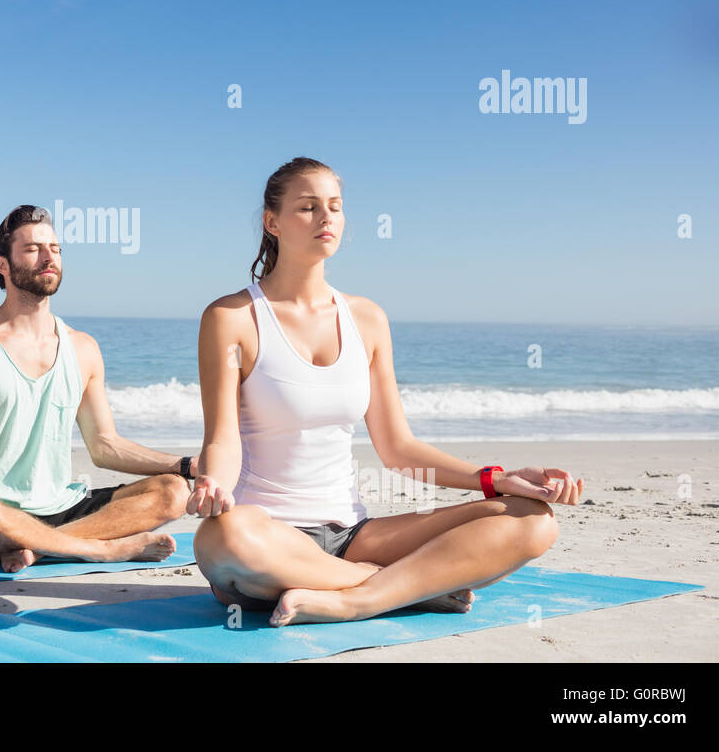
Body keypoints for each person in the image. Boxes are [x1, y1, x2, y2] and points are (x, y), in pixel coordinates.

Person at [190, 157, 585, 626]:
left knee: (532, 518)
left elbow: (399, 448)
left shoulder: (367, 319)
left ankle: (360, 598)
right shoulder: (231, 318)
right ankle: (402, 585)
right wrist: (213, 482)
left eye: (335, 207)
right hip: (268, 538)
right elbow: (223, 438)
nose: (326, 218)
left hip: (354, 533)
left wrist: (497, 479)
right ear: (272, 222)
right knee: (222, 536)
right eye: (308, 207)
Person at [0, 205, 192, 572]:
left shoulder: (83, 348)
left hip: (61, 509)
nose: (49, 256)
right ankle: (98, 549)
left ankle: (42, 548)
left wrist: (186, 465)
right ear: (3, 265)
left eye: (55, 248)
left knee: (173, 491)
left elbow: (105, 446)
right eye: (34, 248)